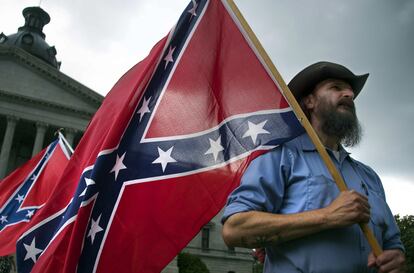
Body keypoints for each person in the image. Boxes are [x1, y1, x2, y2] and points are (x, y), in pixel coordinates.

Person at [221, 61, 406, 273]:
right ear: (309, 101)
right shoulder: (280, 157)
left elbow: (393, 244)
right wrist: (327, 216)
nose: (349, 95)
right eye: (336, 87)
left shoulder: (369, 176)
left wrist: (396, 258)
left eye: (350, 91)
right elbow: (234, 229)